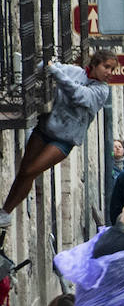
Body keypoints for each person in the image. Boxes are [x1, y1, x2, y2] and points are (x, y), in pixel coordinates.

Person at [2, 51, 117, 223]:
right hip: (45, 129)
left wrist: (56, 72)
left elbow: (80, 96)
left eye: (112, 69)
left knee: (30, 170)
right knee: (23, 173)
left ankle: (6, 212)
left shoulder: (102, 91)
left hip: (63, 141)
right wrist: (45, 68)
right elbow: (45, 67)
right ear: (95, 64)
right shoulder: (73, 71)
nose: (109, 72)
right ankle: (4, 213)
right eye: (106, 67)